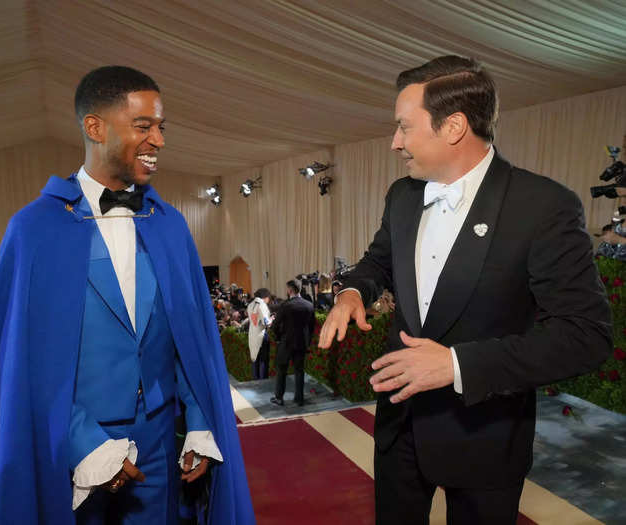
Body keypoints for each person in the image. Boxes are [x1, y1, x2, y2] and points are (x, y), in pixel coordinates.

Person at [319, 55, 612, 525]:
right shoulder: (403, 196)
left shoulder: (542, 206)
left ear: (453, 126)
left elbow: (586, 336)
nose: (395, 143)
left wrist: (457, 364)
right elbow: (377, 261)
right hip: (400, 430)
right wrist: (353, 291)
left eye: (404, 128)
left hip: (485, 437)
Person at [0, 66, 254, 525]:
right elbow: (24, 363)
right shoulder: (34, 230)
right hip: (69, 446)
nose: (158, 140)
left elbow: (190, 343)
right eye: (143, 126)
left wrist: (198, 422)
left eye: (161, 127)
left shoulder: (171, 225)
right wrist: (86, 445)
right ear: (94, 127)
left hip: (161, 443)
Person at [270, 279, 315, 407]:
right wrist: (308, 341)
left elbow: (275, 325)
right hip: (301, 343)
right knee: (299, 371)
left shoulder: (286, 305)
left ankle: (279, 398)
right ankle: (299, 399)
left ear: (290, 290)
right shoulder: (309, 305)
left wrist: (278, 337)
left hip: (286, 342)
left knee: (282, 370)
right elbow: (312, 327)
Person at [246, 288, 272, 379]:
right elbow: (266, 322)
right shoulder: (262, 304)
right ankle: (262, 383)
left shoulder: (250, 305)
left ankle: (255, 381)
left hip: (252, 334)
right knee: (263, 361)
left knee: (254, 359)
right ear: (265, 297)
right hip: (261, 335)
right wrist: (272, 319)